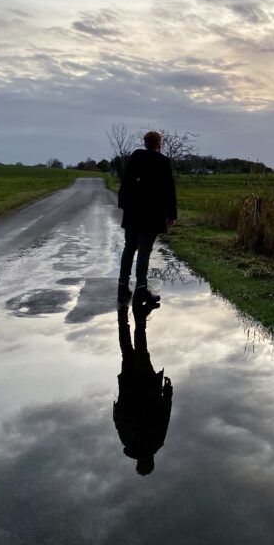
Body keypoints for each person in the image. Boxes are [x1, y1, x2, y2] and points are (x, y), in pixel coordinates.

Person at [117, 130, 177, 304]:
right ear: (159, 144)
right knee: (144, 250)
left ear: (145, 143)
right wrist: (172, 214)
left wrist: (124, 203)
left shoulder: (134, 158)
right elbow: (168, 190)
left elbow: (125, 182)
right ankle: (141, 290)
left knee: (129, 247)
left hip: (133, 211)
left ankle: (122, 286)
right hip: (152, 213)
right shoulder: (162, 162)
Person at [114, 301, 173, 476]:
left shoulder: (156, 442)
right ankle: (123, 316)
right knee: (127, 351)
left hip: (146, 387)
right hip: (130, 388)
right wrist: (119, 403)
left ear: (150, 461)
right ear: (139, 463)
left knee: (141, 350)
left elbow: (164, 414)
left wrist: (167, 392)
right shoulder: (128, 443)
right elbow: (118, 421)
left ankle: (138, 318)